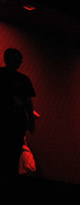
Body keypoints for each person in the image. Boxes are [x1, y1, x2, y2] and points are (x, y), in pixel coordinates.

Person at [0, 48, 35, 182]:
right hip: (8, 119)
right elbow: (28, 102)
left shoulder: (23, 79)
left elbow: (28, 101)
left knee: (13, 153)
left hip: (16, 121)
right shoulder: (21, 79)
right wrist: (30, 120)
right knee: (10, 152)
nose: (18, 63)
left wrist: (30, 119)